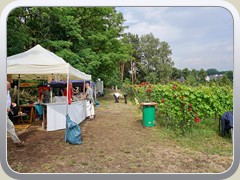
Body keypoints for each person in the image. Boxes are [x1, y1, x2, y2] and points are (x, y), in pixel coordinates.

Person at [6, 81, 24, 147]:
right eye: (8, 86)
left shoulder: (7, 92)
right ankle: (17, 142)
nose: (10, 87)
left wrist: (11, 104)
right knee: (10, 126)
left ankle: (17, 142)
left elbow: (7, 100)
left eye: (9, 85)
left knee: (10, 127)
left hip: (6, 114)